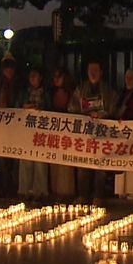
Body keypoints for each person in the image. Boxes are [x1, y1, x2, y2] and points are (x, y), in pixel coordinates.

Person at [69, 60, 118, 204]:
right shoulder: (80, 89)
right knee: (82, 165)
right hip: (84, 134)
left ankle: (98, 196)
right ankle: (83, 195)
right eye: (90, 69)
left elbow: (114, 107)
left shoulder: (108, 91)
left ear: (101, 72)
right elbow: (72, 108)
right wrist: (84, 117)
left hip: (102, 134)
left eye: (96, 70)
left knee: (100, 167)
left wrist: (103, 115)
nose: (93, 73)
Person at [17, 67, 51, 201]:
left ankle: (40, 192)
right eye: (30, 76)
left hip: (41, 131)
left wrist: (40, 109)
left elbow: (51, 109)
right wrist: (23, 107)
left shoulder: (46, 93)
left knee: (40, 161)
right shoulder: (24, 93)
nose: (32, 78)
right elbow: (16, 107)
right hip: (26, 131)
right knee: (25, 159)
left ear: (40, 78)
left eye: (35, 75)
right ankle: (25, 190)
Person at [112, 68, 133, 200]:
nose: (129, 80)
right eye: (127, 77)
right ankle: (121, 190)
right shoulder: (122, 93)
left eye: (132, 78)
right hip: (121, 132)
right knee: (121, 159)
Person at [0, 56, 23, 197]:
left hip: (16, 124)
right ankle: (5, 186)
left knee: (16, 157)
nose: (9, 71)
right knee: (3, 157)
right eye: (6, 68)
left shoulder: (19, 85)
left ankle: (16, 186)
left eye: (11, 68)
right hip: (1, 124)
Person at [48, 66, 77, 200]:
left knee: (65, 163)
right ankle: (55, 190)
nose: (56, 79)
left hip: (67, 133)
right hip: (53, 132)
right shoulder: (50, 93)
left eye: (58, 76)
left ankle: (66, 191)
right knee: (55, 161)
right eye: (54, 77)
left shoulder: (72, 93)